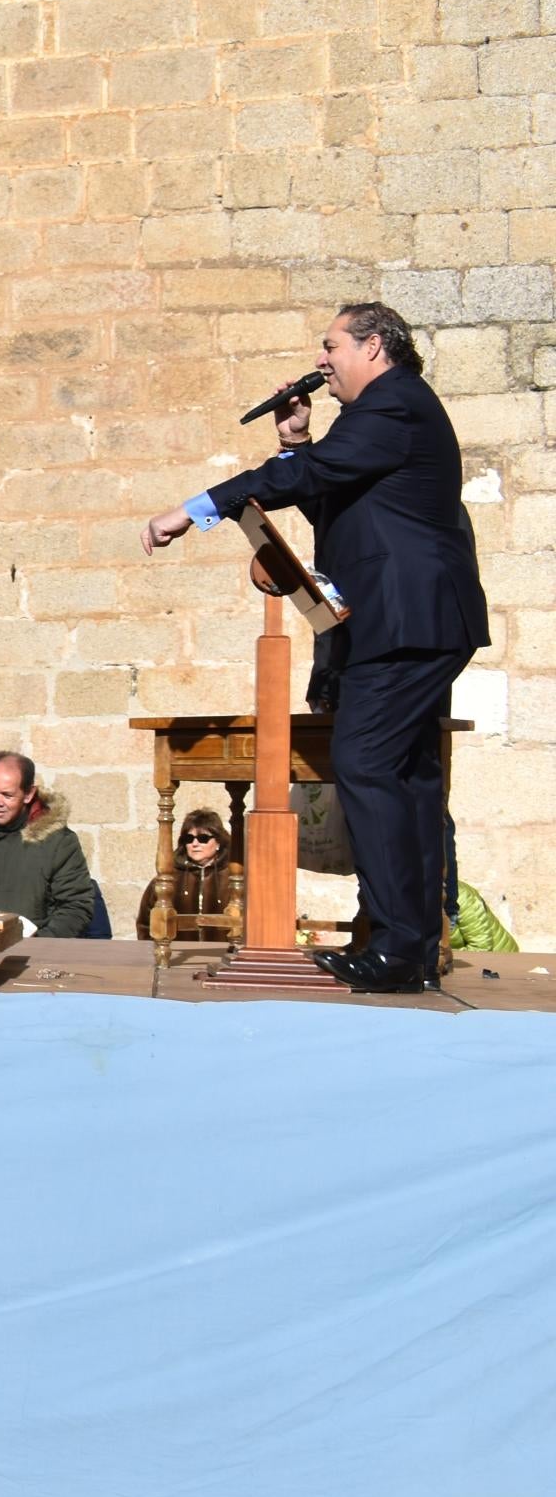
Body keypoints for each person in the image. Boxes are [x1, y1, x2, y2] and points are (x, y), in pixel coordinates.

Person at [145, 302, 490, 992]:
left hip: (405, 621)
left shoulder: (392, 407)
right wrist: (299, 446)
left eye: (331, 346)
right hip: (412, 621)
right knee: (408, 776)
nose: (322, 360)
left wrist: (197, 508)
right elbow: (331, 494)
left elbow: (307, 483)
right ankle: (411, 947)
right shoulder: (392, 414)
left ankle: (396, 948)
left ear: (374, 347)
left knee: (364, 763)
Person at [0, 753, 97, 939]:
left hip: (34, 955)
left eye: (7, 795)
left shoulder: (59, 842)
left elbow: (76, 907)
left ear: (28, 794)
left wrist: (39, 944)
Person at [136, 806, 238, 947]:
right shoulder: (168, 878)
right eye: (189, 838)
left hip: (222, 957)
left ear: (218, 842)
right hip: (178, 958)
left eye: (203, 838)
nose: (195, 844)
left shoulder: (234, 878)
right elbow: (145, 922)